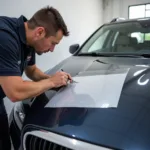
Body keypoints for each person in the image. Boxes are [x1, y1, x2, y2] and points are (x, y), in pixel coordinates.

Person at [0, 6, 72, 150]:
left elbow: (32, 71)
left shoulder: (29, 41)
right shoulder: (4, 38)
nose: (52, 50)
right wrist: (51, 81)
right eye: (53, 43)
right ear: (40, 32)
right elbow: (15, 92)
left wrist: (53, 79)